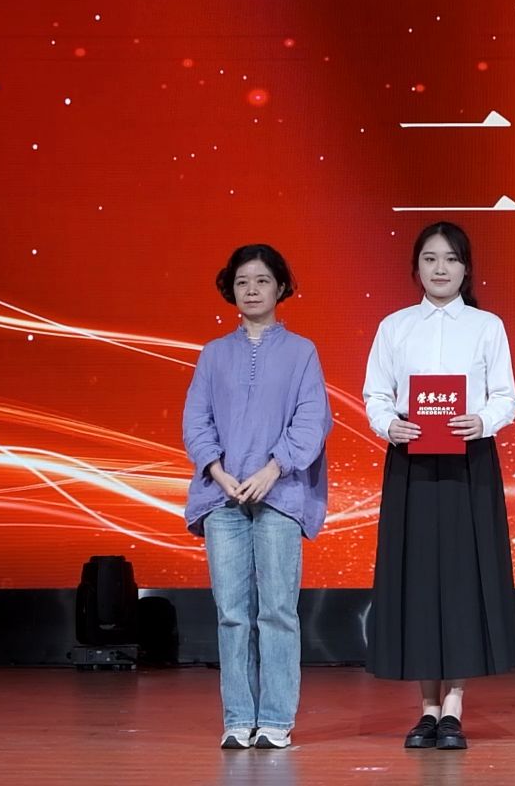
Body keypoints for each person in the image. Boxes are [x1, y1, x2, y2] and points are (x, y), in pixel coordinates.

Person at [362, 221, 515, 751]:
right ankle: (426, 710)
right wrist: (390, 425)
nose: (440, 268)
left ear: (466, 268)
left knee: (460, 580)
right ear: (416, 267)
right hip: (411, 462)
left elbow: (506, 396)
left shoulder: (486, 326)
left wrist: (483, 420)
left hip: (468, 462)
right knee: (418, 579)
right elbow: (376, 394)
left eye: (451, 259)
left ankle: (453, 708)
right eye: (430, 258)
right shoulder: (395, 326)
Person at [182, 244, 331, 750]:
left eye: (263, 280)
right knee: (232, 612)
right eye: (242, 281)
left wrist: (274, 468)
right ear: (231, 289)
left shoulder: (302, 352)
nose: (252, 290)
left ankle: (275, 720)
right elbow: (196, 420)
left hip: (280, 495)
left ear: (281, 288)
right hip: (222, 498)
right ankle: (237, 718)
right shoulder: (213, 353)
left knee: (277, 611)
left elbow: (312, 420)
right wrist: (218, 472)